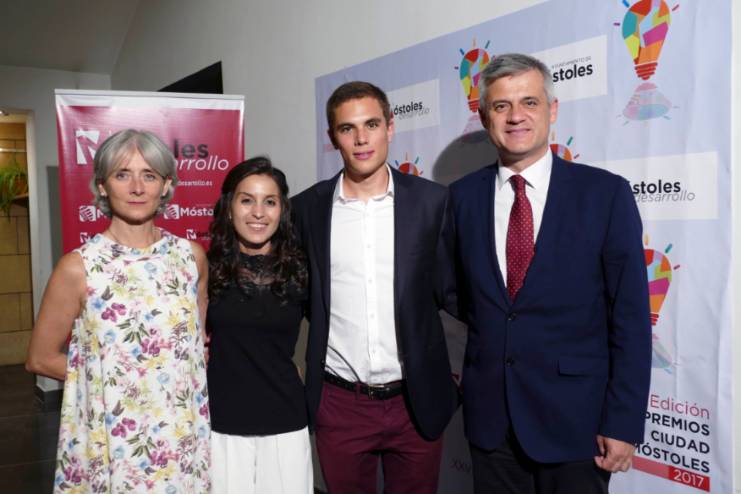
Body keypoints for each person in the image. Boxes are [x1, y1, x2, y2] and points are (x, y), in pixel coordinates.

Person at [447, 53, 652, 493]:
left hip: (577, 423)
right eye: (501, 105)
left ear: (552, 110)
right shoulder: (461, 198)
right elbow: (454, 291)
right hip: (491, 423)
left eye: (529, 102)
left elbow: (631, 317)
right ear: (484, 117)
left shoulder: (605, 194)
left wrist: (623, 420)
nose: (515, 116)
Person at [292, 81, 459, 493]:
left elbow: (452, 292)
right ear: (333, 137)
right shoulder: (306, 209)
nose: (361, 138)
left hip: (415, 402)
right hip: (340, 404)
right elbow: (307, 299)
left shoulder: (432, 202)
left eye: (371, 124)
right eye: (347, 128)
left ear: (390, 127)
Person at [25, 129, 210, 492]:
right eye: (123, 174)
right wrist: (119, 381)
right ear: (103, 185)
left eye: (149, 175)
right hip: (113, 435)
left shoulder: (191, 258)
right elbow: (40, 358)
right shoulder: (78, 267)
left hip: (178, 435)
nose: (137, 188)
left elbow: (192, 350)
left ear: (166, 185)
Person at [206, 157, 312, 493]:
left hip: (285, 422)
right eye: (246, 200)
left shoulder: (302, 270)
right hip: (221, 424)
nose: (258, 213)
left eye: (270, 202)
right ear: (228, 208)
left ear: (282, 211)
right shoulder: (204, 269)